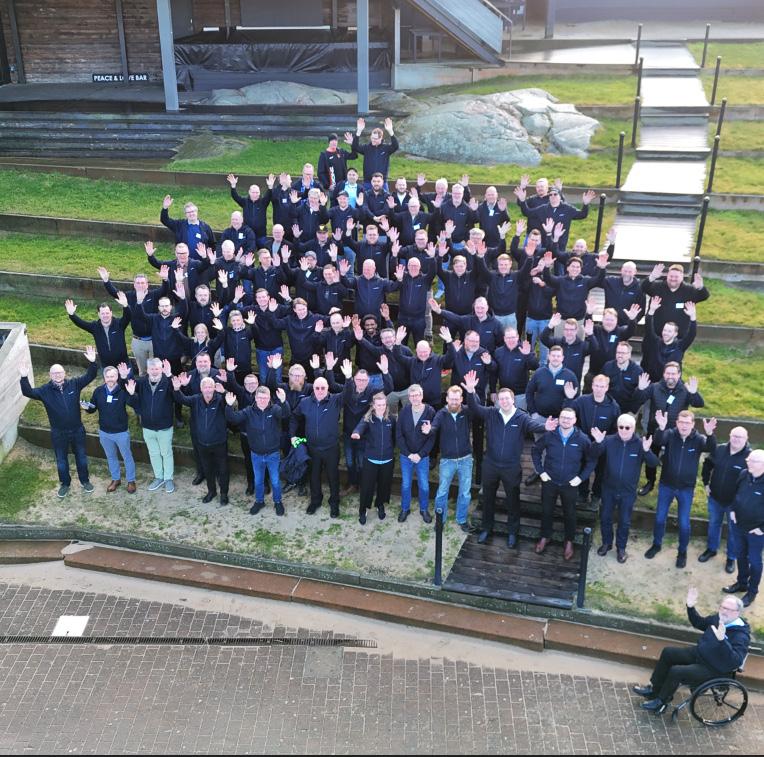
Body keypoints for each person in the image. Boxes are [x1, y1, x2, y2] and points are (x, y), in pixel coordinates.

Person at [463, 371, 550, 547]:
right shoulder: (491, 413)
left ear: (513, 400)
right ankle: (486, 528)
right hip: (491, 465)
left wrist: (545, 426)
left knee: (512, 501)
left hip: (511, 467)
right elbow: (475, 408)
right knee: (488, 499)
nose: (504, 401)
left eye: (507, 399)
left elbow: (535, 426)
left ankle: (512, 532)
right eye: (501, 399)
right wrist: (471, 392)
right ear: (498, 401)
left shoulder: (522, 417)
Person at [633, 587, 750, 714]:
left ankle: (661, 702)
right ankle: (655, 690)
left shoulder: (740, 635)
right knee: (668, 652)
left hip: (713, 667)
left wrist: (722, 641)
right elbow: (699, 623)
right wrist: (690, 607)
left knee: (676, 671)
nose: (723, 611)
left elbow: (735, 661)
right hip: (699, 653)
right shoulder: (719, 618)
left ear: (737, 612)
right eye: (722, 607)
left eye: (728, 609)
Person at [19, 347, 98, 498]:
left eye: (60, 372)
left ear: (64, 373)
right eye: (54, 373)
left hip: (77, 430)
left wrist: (93, 363)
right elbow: (28, 392)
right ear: (50, 375)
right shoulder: (45, 391)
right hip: (58, 433)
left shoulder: (74, 384)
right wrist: (24, 377)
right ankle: (65, 484)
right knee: (61, 460)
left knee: (81, 457)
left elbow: (90, 376)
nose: (57, 375)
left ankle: (85, 481)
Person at [645, 410, 717, 568]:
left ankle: (682, 552)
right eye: (681, 422)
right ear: (677, 423)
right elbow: (658, 440)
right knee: (659, 518)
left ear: (693, 424)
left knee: (684, 523)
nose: (684, 426)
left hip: (686, 488)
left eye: (687, 423)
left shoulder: (698, 439)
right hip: (666, 485)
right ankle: (656, 544)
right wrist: (661, 427)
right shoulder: (670, 434)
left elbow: (711, 447)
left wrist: (710, 433)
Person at [590, 414, 659, 562]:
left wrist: (647, 451)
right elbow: (592, 454)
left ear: (633, 428)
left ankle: (621, 548)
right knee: (605, 517)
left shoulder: (640, 444)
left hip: (628, 491)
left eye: (628, 427)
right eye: (621, 427)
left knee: (624, 521)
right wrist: (597, 443)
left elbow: (654, 463)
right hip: (608, 488)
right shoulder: (608, 440)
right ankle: (607, 543)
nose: (624, 430)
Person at [531, 407, 597, 560]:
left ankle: (569, 541)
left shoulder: (582, 439)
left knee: (570, 513)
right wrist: (541, 471)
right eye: (563, 417)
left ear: (575, 420)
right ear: (559, 419)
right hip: (550, 481)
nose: (566, 420)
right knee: (547, 510)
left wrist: (581, 478)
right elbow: (535, 450)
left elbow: (592, 460)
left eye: (569, 418)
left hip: (570, 484)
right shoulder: (549, 435)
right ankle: (545, 536)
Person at [633, 363, 705, 496]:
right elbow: (638, 399)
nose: (670, 376)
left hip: (676, 433)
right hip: (655, 429)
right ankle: (650, 482)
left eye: (673, 373)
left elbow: (699, 404)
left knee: (673, 460)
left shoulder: (685, 390)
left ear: (679, 375)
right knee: (651, 457)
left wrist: (694, 393)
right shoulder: (655, 387)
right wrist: (640, 389)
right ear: (663, 374)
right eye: (668, 373)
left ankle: (668, 484)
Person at [226, 385, 289, 515]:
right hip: (256, 454)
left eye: (265, 398)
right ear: (255, 398)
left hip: (273, 453)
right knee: (258, 481)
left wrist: (284, 401)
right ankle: (259, 501)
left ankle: (278, 502)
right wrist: (229, 406)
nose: (262, 400)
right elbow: (233, 419)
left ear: (269, 398)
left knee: (275, 481)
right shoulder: (248, 411)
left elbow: (286, 414)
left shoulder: (275, 409)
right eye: (260, 398)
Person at [290, 370, 344, 516]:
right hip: (313, 448)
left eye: (323, 388)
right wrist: (292, 435)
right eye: (317, 388)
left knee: (333, 476)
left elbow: (349, 392)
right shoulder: (305, 402)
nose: (320, 391)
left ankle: (334, 503)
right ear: (313, 388)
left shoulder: (335, 400)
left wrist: (348, 377)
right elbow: (294, 417)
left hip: (331, 448)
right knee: (314, 476)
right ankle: (315, 500)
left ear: (328, 388)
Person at [98, 265, 168, 376]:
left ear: (147, 284)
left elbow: (165, 289)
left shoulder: (154, 295)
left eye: (143, 283)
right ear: (134, 285)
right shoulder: (129, 296)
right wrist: (106, 281)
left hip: (154, 340)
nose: (140, 285)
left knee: (156, 370)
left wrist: (165, 279)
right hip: (138, 341)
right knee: (143, 372)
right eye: (138, 283)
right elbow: (115, 293)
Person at [173, 375, 229, 505]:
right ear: (201, 388)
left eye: (210, 387)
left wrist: (224, 392)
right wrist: (176, 389)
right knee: (207, 469)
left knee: (223, 470)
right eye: (205, 387)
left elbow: (232, 403)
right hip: (202, 443)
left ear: (214, 388)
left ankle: (224, 494)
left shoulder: (220, 400)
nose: (208, 389)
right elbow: (181, 399)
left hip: (219, 443)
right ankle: (211, 491)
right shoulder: (196, 399)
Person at [701, 427, 751, 572]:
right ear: (729, 436)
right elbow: (707, 465)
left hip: (735, 504)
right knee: (714, 525)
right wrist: (706, 483)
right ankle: (711, 549)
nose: (736, 439)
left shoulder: (749, 457)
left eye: (740, 437)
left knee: (733, 531)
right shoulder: (719, 449)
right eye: (734, 436)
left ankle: (731, 557)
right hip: (715, 498)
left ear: (746, 439)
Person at [124, 357, 176, 493]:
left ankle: (168, 478)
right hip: (147, 427)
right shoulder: (141, 382)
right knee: (153, 453)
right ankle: (159, 477)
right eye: (152, 369)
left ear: (161, 369)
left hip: (164, 427)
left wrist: (170, 375)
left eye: (157, 369)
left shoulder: (167, 382)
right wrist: (125, 381)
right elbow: (129, 394)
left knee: (166, 453)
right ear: (147, 370)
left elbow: (178, 393)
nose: (154, 371)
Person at [84, 365, 137, 494]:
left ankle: (131, 480)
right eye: (107, 377)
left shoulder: (123, 390)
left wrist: (132, 394)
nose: (110, 379)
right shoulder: (98, 391)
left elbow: (133, 403)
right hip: (104, 432)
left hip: (121, 432)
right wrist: (87, 408)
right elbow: (93, 408)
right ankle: (116, 479)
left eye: (112, 376)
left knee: (127, 457)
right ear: (104, 378)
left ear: (117, 376)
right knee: (111, 457)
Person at [430, 385, 475, 533]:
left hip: (465, 459)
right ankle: (440, 519)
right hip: (447, 460)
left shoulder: (467, 411)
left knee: (465, 493)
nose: (454, 402)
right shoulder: (441, 414)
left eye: (457, 399)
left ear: (461, 399)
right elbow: (434, 427)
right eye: (451, 399)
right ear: (447, 399)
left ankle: (461, 519)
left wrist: (471, 392)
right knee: (442, 492)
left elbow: (477, 407)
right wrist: (429, 430)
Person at [724, 448, 764, 607]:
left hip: (756, 532)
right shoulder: (743, 474)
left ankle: (752, 592)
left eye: (752, 461)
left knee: (754, 561)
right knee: (740, 555)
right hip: (738, 525)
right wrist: (732, 510)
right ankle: (742, 583)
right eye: (748, 460)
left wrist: (762, 529)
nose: (748, 463)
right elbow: (736, 495)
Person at [352, 392, 397, 524]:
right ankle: (363, 509)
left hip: (387, 460)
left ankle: (380, 504)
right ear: (373, 405)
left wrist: (390, 449)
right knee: (367, 487)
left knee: (384, 485)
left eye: (383, 405)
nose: (381, 407)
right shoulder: (368, 419)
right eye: (378, 405)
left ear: (386, 405)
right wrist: (356, 433)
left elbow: (394, 437)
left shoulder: (391, 419)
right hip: (371, 460)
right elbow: (360, 427)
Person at [396, 384, 436, 523]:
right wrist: (408, 454)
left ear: (422, 395)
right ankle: (405, 508)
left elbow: (432, 437)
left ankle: (424, 509)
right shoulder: (404, 412)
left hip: (422, 457)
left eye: (417, 395)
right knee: (406, 484)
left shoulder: (430, 411)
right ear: (409, 397)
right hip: (406, 456)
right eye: (412, 396)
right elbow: (399, 435)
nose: (415, 398)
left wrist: (421, 454)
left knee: (424, 485)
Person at [641, 263, 710, 336]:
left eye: (676, 277)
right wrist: (652, 277)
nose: (673, 279)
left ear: (682, 277)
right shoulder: (657, 287)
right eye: (671, 276)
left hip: (678, 336)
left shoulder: (689, 290)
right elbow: (643, 287)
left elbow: (704, 296)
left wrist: (700, 287)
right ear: (667, 276)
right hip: (654, 333)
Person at [65, 299, 130, 369]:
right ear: (99, 314)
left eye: (107, 313)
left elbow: (127, 317)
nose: (105, 315)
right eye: (102, 313)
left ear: (111, 313)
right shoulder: (95, 327)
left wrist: (125, 306)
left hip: (123, 364)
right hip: (106, 366)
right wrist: (72, 315)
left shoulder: (119, 324)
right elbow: (81, 323)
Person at [227, 173, 273, 245]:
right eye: (253, 192)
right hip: (248, 234)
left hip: (261, 235)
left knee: (263, 250)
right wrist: (233, 186)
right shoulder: (245, 202)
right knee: (249, 250)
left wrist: (270, 186)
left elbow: (269, 195)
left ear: (259, 193)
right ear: (249, 192)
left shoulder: (263, 202)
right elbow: (235, 197)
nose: (255, 194)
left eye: (257, 192)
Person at [351, 117, 399, 186]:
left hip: (382, 182)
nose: (373, 140)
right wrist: (359, 131)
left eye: (375, 139)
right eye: (372, 138)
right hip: (368, 182)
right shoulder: (366, 148)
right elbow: (355, 147)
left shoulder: (386, 148)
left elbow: (396, 146)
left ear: (381, 138)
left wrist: (390, 131)